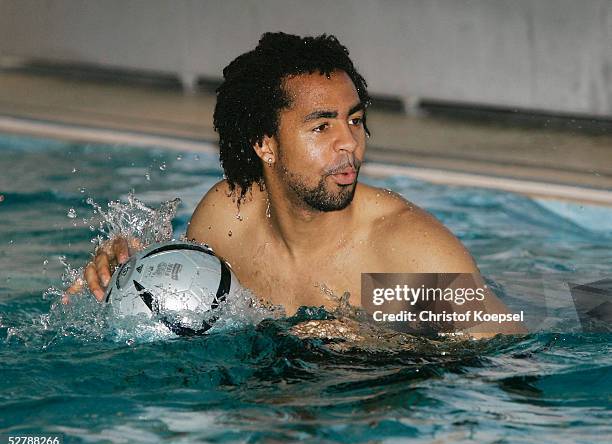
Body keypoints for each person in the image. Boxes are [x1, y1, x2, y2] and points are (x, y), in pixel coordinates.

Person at [69, 32, 526, 338]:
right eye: (321, 127)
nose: (350, 143)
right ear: (265, 144)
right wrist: (134, 263)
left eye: (355, 120)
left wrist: (384, 343)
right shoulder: (229, 217)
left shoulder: (406, 252)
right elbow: (192, 302)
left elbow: (511, 353)